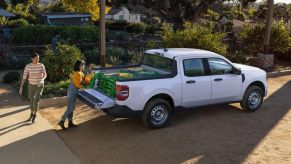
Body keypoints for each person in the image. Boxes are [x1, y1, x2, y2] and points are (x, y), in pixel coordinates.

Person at [19, 53, 47, 123]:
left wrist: (41, 80)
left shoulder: (41, 65)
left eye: (38, 58)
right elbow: (24, 77)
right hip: (31, 85)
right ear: (32, 59)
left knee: (36, 100)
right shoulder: (28, 66)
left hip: (39, 85)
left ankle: (35, 114)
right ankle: (31, 113)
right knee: (31, 100)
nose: (38, 59)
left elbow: (45, 75)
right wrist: (21, 87)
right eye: (36, 58)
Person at [58, 60, 85, 130]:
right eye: (82, 65)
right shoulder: (77, 73)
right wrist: (84, 87)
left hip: (74, 91)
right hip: (72, 91)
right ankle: (62, 121)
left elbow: (82, 81)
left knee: (71, 107)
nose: (83, 66)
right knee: (70, 108)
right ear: (79, 66)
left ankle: (70, 122)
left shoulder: (80, 73)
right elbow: (77, 84)